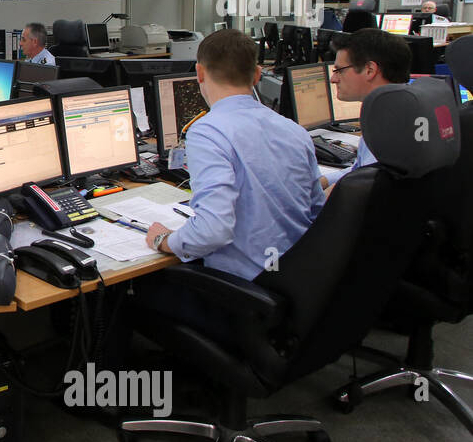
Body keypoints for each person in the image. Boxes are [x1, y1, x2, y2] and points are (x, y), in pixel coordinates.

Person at [143, 29, 324, 282]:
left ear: (200, 73)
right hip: (298, 279)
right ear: (258, 75)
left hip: (246, 285)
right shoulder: (295, 131)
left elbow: (213, 231)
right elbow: (316, 210)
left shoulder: (208, 131)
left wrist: (164, 240)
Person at [320, 28, 411, 188]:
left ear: (370, 70)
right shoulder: (394, 111)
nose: (333, 79)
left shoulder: (385, 129)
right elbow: (359, 170)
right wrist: (324, 182)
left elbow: (365, 188)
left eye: (339, 70)